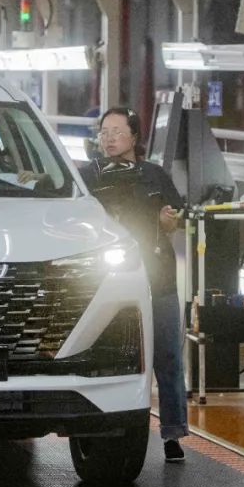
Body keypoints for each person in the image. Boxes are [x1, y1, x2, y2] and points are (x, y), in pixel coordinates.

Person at [81, 106, 189, 463]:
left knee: (168, 355)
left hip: (157, 276)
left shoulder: (154, 175)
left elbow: (177, 213)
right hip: (107, 281)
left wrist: (170, 220)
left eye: (117, 131)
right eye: (104, 132)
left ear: (134, 136)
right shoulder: (87, 176)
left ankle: (173, 433)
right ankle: (103, 428)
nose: (109, 138)